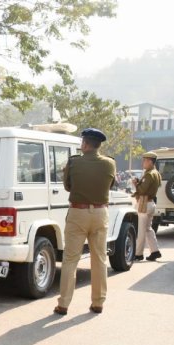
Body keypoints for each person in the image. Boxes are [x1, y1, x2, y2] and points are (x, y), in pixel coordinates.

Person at [54, 128, 117, 316]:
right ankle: (98, 303)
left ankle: (63, 304)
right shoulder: (110, 164)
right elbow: (110, 185)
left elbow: (67, 186)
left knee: (70, 259)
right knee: (99, 259)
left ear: (85, 144)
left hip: (77, 213)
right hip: (100, 213)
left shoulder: (74, 163)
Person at [133, 152, 162, 261]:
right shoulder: (156, 173)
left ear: (150, 162)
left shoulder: (149, 174)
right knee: (148, 229)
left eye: (144, 160)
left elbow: (142, 190)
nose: (143, 163)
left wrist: (136, 184)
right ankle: (155, 251)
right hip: (150, 203)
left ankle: (138, 254)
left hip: (145, 203)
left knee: (142, 230)